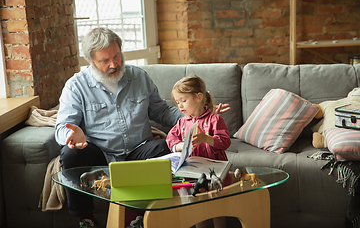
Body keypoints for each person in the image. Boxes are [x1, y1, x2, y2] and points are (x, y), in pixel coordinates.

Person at [55, 27, 230, 228]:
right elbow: (61, 127)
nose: (114, 64)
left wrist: (200, 114)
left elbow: (162, 112)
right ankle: (86, 219)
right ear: (90, 60)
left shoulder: (139, 77)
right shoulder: (76, 86)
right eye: (105, 61)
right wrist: (71, 135)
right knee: (70, 155)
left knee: (166, 147)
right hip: (100, 152)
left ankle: (136, 217)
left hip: (138, 150)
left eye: (117, 56)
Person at [166, 75, 231, 228]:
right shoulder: (182, 122)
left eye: (184, 100)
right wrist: (179, 146)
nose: (180, 105)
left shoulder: (215, 119)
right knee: (197, 209)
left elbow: (225, 141)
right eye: (177, 102)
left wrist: (206, 138)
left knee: (217, 208)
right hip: (191, 174)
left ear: (199, 97)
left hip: (213, 173)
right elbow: (170, 138)